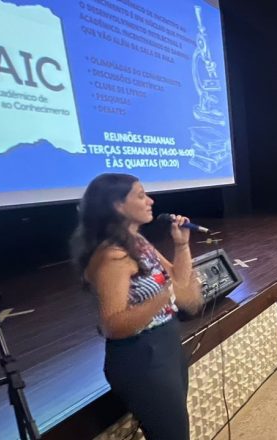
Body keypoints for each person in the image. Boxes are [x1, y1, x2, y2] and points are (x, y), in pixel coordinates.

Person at [71, 173, 203, 440]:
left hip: (165, 344)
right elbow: (114, 324)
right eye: (141, 195)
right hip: (140, 357)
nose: (150, 201)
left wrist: (181, 245)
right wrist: (164, 297)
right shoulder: (113, 257)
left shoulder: (140, 243)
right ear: (118, 206)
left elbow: (179, 282)